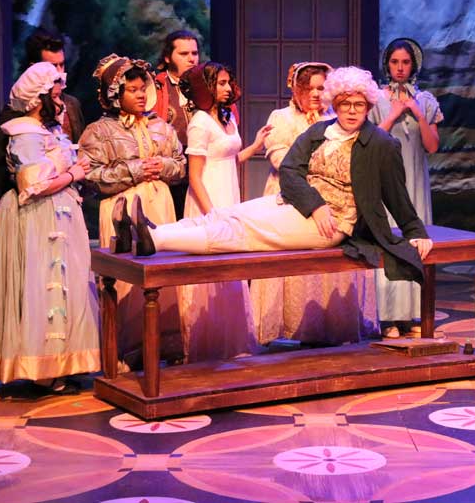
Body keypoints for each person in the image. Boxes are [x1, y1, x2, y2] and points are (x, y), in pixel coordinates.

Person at [118, 66, 434, 291]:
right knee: (229, 213)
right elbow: (290, 170)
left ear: (368, 106)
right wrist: (314, 203)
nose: (352, 111)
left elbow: (397, 196)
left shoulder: (381, 144)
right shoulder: (319, 131)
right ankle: (149, 232)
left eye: (359, 105)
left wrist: (415, 231)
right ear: (334, 104)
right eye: (345, 104)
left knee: (243, 231)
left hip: (332, 223)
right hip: (298, 205)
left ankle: (155, 241)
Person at [0, 62, 100, 398]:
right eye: (54, 97)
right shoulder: (24, 131)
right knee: (42, 288)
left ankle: (58, 364)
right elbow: (32, 184)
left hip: (58, 217)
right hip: (39, 219)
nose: (60, 102)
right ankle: (40, 369)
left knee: (61, 288)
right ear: (35, 100)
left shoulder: (46, 131)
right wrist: (73, 173)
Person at [250, 62, 378, 345]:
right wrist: (319, 168)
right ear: (296, 90)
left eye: (321, 88)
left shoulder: (337, 117)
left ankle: (329, 326)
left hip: (334, 199)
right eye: (309, 89)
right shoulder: (282, 117)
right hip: (291, 194)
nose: (316, 94)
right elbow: (278, 158)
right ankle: (292, 327)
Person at [78, 54, 186, 365]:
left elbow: (180, 166)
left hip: (160, 204)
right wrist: (136, 169)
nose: (140, 95)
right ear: (115, 93)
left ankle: (166, 345)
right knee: (126, 280)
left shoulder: (161, 126)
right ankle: (126, 350)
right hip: (122, 207)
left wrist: (162, 165)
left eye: (143, 88)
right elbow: (92, 176)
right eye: (132, 90)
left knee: (163, 273)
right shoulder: (98, 131)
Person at [174, 61, 270, 362]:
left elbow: (229, 159)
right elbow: (195, 176)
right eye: (222, 83)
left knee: (230, 270)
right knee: (210, 270)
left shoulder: (226, 118)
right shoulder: (200, 122)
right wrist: (212, 215)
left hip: (228, 197)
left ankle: (231, 343)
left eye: (229, 82)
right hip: (208, 200)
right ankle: (205, 346)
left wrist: (255, 146)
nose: (228, 88)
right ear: (207, 87)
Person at [368, 37, 443, 338]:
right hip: (386, 183)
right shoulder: (375, 99)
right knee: (390, 241)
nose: (400, 68)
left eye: (406, 62)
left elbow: (432, 146)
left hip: (416, 182)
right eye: (395, 62)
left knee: (416, 243)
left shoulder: (426, 100)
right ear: (387, 63)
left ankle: (413, 314)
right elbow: (371, 140)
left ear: (414, 65)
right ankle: (387, 317)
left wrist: (418, 113)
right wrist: (394, 114)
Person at [0, 29, 85, 199]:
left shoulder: (71, 105)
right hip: (36, 201)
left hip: (68, 200)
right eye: (52, 66)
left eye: (62, 64)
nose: (59, 72)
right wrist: (16, 197)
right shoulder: (19, 112)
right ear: (34, 69)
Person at [153, 30, 201, 219]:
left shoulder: (206, 85)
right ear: (167, 57)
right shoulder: (156, 87)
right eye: (184, 54)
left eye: (194, 53)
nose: (191, 59)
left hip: (201, 161)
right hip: (171, 165)